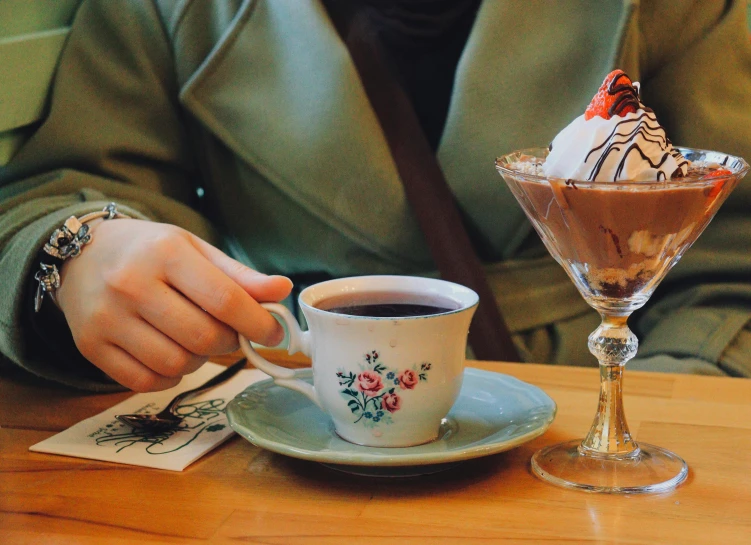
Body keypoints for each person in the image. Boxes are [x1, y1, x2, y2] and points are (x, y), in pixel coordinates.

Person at [1, 0, 750, 392]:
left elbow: (729, 274)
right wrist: (76, 255)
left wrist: (632, 432)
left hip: (593, 405)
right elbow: (60, 197)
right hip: (287, 408)